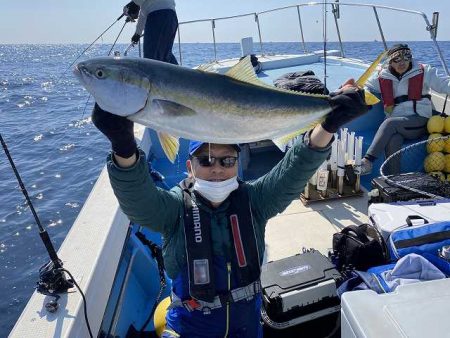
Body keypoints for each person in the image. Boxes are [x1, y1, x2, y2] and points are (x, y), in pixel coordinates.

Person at [91, 82, 367, 337]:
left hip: (246, 325)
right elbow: (139, 202)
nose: (217, 170)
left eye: (227, 161)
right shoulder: (175, 208)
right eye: (206, 160)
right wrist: (123, 147)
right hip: (189, 326)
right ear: (190, 168)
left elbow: (294, 170)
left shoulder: (254, 201)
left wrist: (329, 126)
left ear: (238, 165)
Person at [361, 43, 450, 175]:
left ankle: (367, 161)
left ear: (410, 57)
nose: (402, 62)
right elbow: (366, 86)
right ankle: (394, 179)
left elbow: (444, 84)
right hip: (398, 125)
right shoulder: (383, 76)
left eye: (406, 57)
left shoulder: (424, 71)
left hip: (419, 120)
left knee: (390, 123)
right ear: (390, 61)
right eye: (397, 59)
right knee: (393, 139)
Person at [123, 0, 178, 64]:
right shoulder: (147, 3)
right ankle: (182, 73)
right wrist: (137, 33)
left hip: (157, 17)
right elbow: (143, 15)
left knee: (150, 59)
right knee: (166, 54)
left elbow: (139, 7)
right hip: (172, 18)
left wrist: (133, 4)